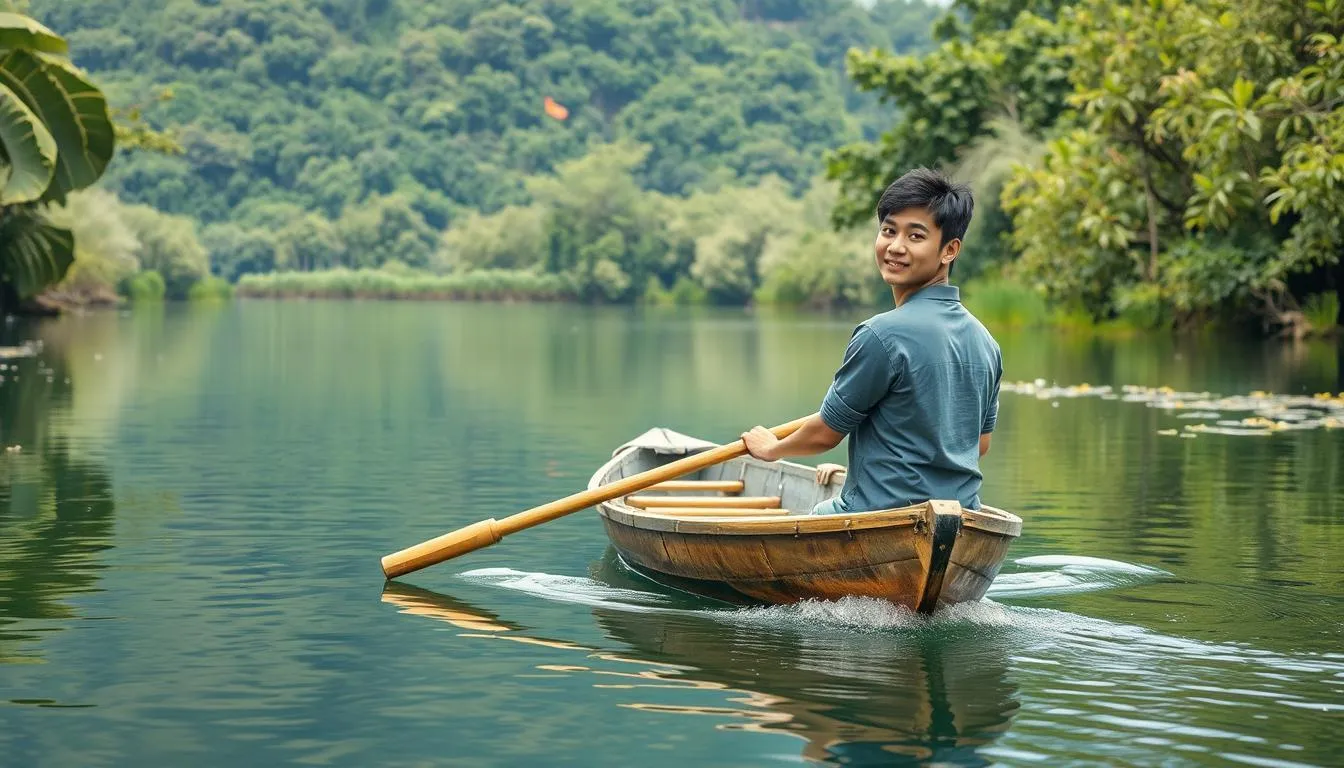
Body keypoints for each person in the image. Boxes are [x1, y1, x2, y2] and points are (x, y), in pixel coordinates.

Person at [740, 167, 1002, 514]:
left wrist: (771, 449)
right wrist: (859, 471)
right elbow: (977, 445)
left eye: (915, 236)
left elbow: (825, 433)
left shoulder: (881, 335)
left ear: (949, 250)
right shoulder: (987, 342)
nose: (895, 246)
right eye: (888, 231)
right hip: (962, 513)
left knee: (818, 513)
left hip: (878, 514)